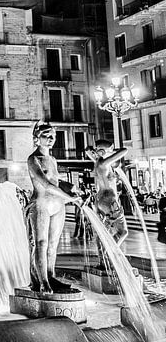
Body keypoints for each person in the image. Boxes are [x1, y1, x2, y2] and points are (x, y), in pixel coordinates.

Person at [26, 122, 82, 293]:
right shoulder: (33, 159)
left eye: (53, 136)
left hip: (57, 205)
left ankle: (51, 275)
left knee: (53, 244)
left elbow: (56, 180)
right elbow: (45, 184)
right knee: (40, 243)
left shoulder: (53, 160)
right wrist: (70, 198)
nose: (50, 139)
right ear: (37, 138)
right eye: (46, 135)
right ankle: (42, 282)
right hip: (41, 204)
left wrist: (71, 187)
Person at [85, 141, 129, 247]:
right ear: (103, 152)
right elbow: (124, 150)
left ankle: (103, 259)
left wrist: (96, 152)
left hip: (100, 200)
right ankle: (110, 253)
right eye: (109, 150)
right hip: (110, 200)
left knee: (104, 232)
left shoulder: (97, 163)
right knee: (123, 232)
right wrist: (110, 151)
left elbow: (87, 150)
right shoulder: (105, 163)